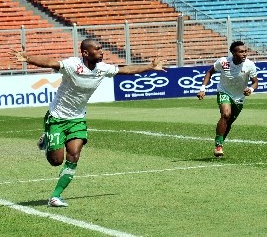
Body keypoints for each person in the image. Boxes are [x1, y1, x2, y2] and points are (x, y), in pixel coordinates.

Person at [10, 39, 167, 207]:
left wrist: (150, 67)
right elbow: (51, 62)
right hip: (57, 117)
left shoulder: (102, 68)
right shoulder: (72, 65)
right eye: (97, 49)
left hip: (77, 118)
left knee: (74, 155)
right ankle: (47, 140)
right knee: (56, 161)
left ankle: (55, 196)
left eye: (101, 48)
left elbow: (125, 70)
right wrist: (28, 58)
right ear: (85, 53)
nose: (101, 51)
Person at [196, 41, 258, 157]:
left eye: (245, 51)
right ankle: (218, 145)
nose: (244, 54)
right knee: (225, 114)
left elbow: (255, 82)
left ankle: (220, 144)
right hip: (224, 91)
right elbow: (210, 72)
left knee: (228, 122)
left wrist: (251, 89)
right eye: (241, 52)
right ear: (233, 53)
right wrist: (202, 88)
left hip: (239, 97)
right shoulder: (223, 62)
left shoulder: (250, 65)